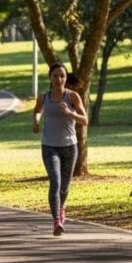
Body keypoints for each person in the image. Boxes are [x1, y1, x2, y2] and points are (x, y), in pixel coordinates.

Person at [32, 63, 88, 236]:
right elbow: (37, 111)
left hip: (70, 147)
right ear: (50, 78)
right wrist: (36, 121)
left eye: (62, 76)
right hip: (49, 147)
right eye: (55, 76)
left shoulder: (72, 96)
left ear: (66, 78)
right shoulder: (44, 97)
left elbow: (84, 120)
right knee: (55, 182)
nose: (59, 79)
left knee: (64, 187)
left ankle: (61, 207)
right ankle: (57, 221)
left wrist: (70, 113)